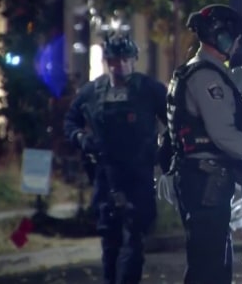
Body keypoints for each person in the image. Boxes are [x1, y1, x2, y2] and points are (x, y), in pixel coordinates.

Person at [164, 4, 242, 284]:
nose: (237, 44)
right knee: (208, 267)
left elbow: (236, 78)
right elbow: (223, 135)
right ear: (222, 37)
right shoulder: (205, 77)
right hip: (205, 181)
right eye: (236, 38)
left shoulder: (203, 70)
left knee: (213, 261)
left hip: (203, 180)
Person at [63, 32, 167, 284]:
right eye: (113, 60)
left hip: (138, 174)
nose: (118, 65)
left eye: (123, 59)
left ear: (133, 60)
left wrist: (165, 151)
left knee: (134, 241)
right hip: (106, 175)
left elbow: (173, 120)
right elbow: (70, 121)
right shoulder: (92, 92)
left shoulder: (149, 90)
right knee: (110, 243)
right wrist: (81, 138)